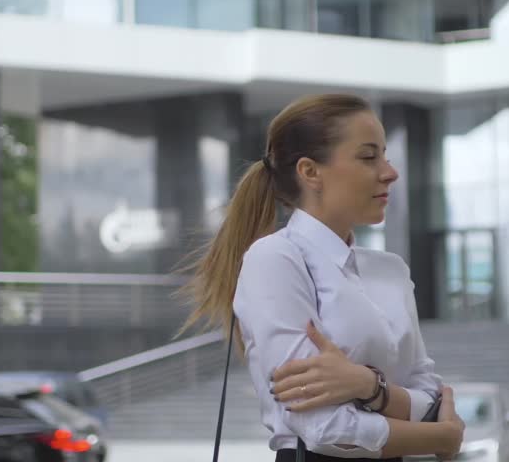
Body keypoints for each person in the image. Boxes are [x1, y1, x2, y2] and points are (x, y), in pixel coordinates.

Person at [180, 94, 464, 461]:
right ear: (310, 172)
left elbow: (430, 393)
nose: (390, 172)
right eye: (368, 156)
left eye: (385, 155)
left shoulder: (391, 269)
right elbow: (323, 428)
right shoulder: (276, 259)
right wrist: (439, 438)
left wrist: (366, 385)